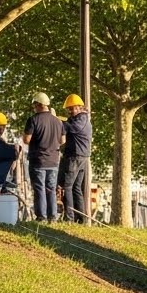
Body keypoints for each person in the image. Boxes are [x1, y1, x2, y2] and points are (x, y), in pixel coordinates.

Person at [22, 92, 64, 222]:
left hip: (38, 160)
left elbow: (26, 139)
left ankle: (41, 216)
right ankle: (52, 216)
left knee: (39, 188)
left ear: (39, 105)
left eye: (34, 105)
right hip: (54, 160)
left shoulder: (33, 119)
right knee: (51, 189)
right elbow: (62, 140)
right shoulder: (58, 121)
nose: (34, 108)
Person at [59, 93, 92, 223]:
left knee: (67, 186)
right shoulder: (82, 119)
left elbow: (71, 128)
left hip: (75, 156)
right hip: (82, 156)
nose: (70, 111)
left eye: (72, 108)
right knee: (76, 187)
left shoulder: (81, 120)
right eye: (69, 109)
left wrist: (57, 120)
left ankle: (70, 218)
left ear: (80, 107)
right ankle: (80, 218)